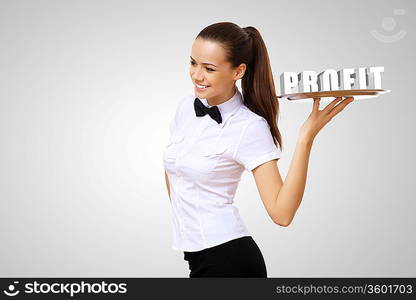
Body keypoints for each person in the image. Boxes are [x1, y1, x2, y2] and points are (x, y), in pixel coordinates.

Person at [163, 22, 354, 278]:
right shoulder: (186, 107)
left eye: (209, 68)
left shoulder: (249, 127)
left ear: (238, 71)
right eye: (193, 63)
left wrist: (306, 137)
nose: (196, 75)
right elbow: (175, 172)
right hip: (197, 257)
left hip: (229, 262)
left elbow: (282, 213)